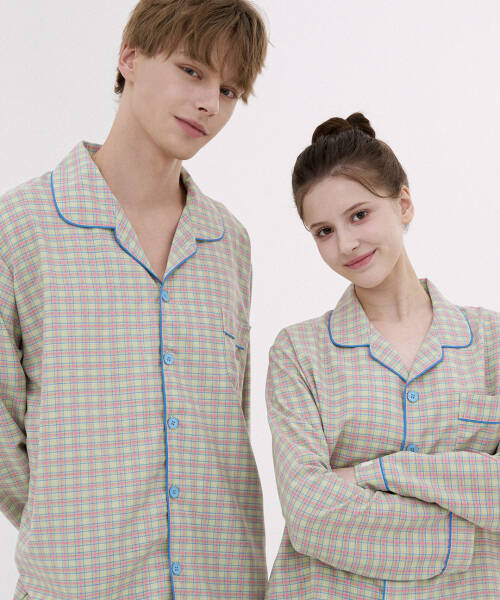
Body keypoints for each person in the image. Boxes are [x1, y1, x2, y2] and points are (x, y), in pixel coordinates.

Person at [0, 1, 268, 599]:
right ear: (130, 57)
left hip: (222, 582)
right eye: (192, 71)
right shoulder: (23, 227)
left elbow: (231, 418)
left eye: (229, 90)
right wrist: (67, 522)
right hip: (83, 584)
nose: (209, 103)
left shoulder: (228, 242)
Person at [265, 112, 499, 599]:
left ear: (404, 203)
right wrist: (462, 521)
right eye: (323, 231)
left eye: (359, 215)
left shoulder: (490, 340)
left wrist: (373, 474)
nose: (346, 244)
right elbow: (308, 513)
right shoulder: (298, 354)